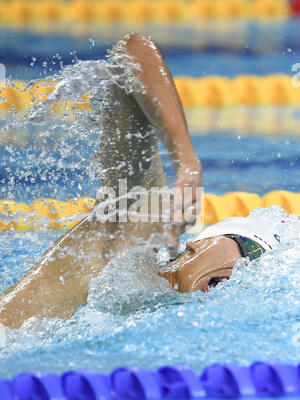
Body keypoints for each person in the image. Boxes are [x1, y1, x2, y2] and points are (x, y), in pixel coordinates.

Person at [0, 33, 281, 329]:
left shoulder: (157, 314)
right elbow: (133, 53)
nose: (243, 272)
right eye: (250, 251)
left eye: (254, 275)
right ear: (196, 245)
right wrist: (187, 165)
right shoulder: (136, 234)